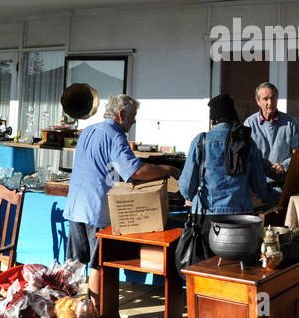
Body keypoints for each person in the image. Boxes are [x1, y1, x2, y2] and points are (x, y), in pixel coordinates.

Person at [64, 94, 179, 305]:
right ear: (121, 114)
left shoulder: (88, 130)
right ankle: (96, 314)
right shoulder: (115, 136)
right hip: (96, 211)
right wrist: (168, 169)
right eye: (133, 116)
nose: (133, 121)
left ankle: (66, 308)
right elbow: (135, 171)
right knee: (98, 264)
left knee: (74, 265)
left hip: (75, 207)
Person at [180, 94, 280, 215]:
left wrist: (191, 198)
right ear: (233, 118)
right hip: (240, 215)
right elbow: (259, 186)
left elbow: (186, 187)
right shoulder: (247, 142)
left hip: (207, 213)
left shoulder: (200, 142)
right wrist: (277, 193)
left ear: (213, 121)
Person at [243, 82, 299, 182]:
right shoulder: (249, 124)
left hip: (284, 185)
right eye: (265, 99)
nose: (270, 103)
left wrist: (285, 166)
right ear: (258, 101)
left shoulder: (290, 123)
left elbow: (298, 153)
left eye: (273, 97)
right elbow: (245, 155)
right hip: (256, 186)